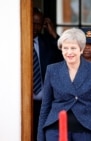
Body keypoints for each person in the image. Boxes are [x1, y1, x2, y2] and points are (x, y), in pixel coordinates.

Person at [37, 28, 91, 141]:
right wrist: (40, 138)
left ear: (81, 49)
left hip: (86, 131)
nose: (69, 52)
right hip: (55, 131)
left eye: (73, 48)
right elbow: (45, 107)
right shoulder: (52, 70)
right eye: (65, 48)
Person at [33, 7, 63, 141]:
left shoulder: (47, 42)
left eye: (39, 23)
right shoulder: (16, 43)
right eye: (32, 22)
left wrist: (53, 33)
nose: (35, 27)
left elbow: (64, 56)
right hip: (24, 103)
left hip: (46, 103)